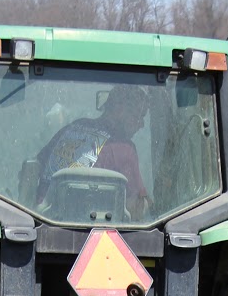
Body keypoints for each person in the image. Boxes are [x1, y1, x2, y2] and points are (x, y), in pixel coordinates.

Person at [37, 85, 149, 213]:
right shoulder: (124, 149)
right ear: (119, 110)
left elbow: (32, 168)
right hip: (90, 227)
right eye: (138, 116)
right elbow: (136, 207)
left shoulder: (75, 127)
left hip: (43, 221)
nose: (141, 124)